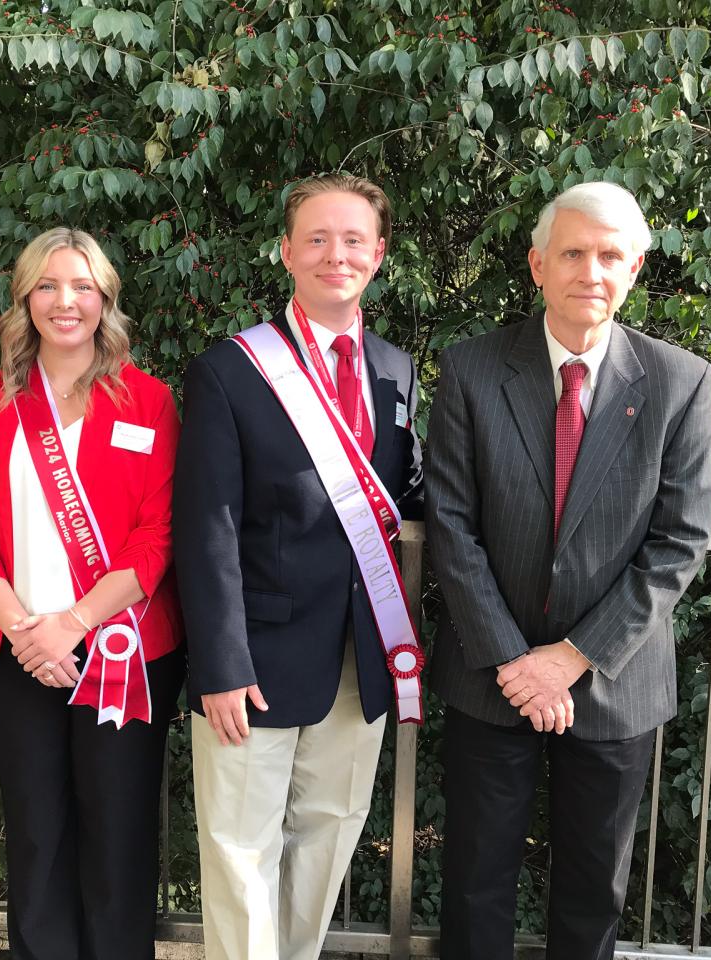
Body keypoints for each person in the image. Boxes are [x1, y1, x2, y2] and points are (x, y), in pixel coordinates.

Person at [425, 181, 711, 960]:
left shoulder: (679, 382)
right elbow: (451, 527)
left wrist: (572, 657)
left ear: (635, 269)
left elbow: (681, 538)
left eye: (610, 256)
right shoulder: (472, 370)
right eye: (574, 253)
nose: (592, 270)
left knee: (593, 888)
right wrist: (517, 661)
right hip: (492, 677)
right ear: (538, 265)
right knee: (476, 878)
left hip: (615, 684)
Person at [174, 174, 424, 960]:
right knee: (241, 849)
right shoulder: (230, 369)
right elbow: (206, 523)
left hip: (361, 653)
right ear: (286, 251)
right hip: (254, 659)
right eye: (316, 238)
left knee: (328, 839)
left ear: (378, 256)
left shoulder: (396, 369)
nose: (334, 254)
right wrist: (218, 662)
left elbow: (405, 496)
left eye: (353, 240)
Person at [0, 227, 183, 960]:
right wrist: (26, 631)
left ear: (105, 296)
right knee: (38, 826)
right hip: (12, 651)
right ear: (24, 299)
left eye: (80, 285)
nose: (64, 300)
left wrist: (73, 623)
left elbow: (156, 537)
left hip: (123, 648)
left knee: (117, 825)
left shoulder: (149, 402)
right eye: (46, 285)